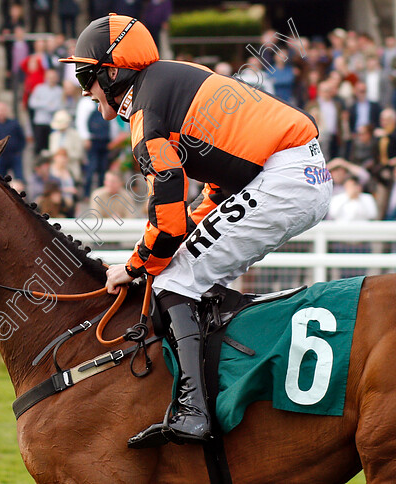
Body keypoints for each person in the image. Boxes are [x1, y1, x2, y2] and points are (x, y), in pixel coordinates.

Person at [60, 14, 332, 448]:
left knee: (173, 277)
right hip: (291, 172)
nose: (85, 91)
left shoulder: (146, 110)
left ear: (112, 72)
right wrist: (176, 238)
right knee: (188, 268)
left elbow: (166, 221)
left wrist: (134, 266)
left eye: (85, 77)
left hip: (285, 177)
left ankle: (195, 409)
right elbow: (215, 183)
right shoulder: (172, 80)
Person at [0, 101, 26, 180]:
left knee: (19, 178)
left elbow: (22, 139)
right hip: (1, 157)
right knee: (0, 179)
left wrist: (19, 151)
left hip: (14, 155)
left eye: (3, 110)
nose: (2, 112)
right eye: (0, 110)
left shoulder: (14, 123)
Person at [28, 69, 63, 155]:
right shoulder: (39, 88)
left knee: (52, 147)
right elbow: (32, 103)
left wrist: (42, 104)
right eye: (49, 77)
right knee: (39, 147)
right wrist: (47, 103)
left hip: (54, 123)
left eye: (53, 77)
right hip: (40, 122)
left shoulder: (59, 91)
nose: (51, 79)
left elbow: (58, 106)